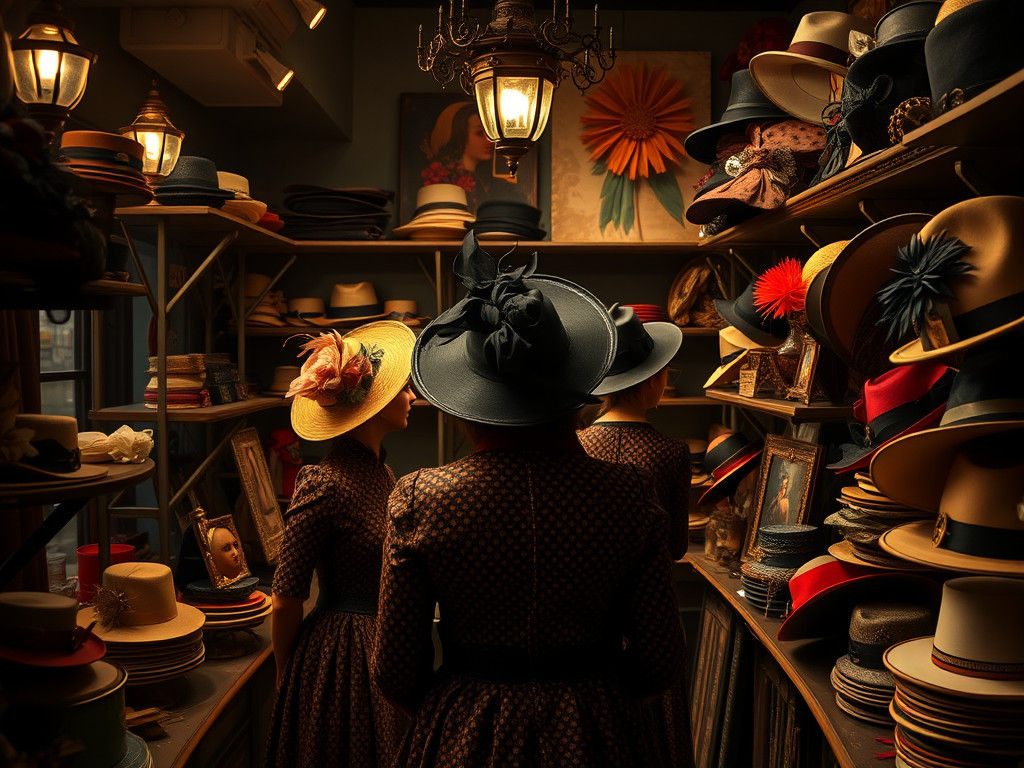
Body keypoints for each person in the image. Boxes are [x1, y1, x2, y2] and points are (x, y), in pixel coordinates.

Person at [373, 233, 686, 767]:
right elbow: (661, 661)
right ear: (577, 390)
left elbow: (396, 671)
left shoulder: (422, 498)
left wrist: (455, 709)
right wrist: (597, 698)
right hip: (599, 729)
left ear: (469, 404)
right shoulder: (628, 494)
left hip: (464, 729)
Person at [267, 322, 417, 768]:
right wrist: (284, 672)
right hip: (341, 653)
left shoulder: (381, 474)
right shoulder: (323, 483)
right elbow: (285, 596)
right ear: (373, 404)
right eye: (404, 390)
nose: (412, 398)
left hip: (379, 644)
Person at [577, 305, 695, 768]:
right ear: (651, 381)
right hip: (653, 619)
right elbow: (677, 548)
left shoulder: (578, 445)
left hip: (588, 619)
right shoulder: (671, 453)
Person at [420, 101, 528, 209]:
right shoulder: (443, 178)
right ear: (461, 136)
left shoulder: (489, 183)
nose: (489, 140)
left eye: (489, 133)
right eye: (480, 133)